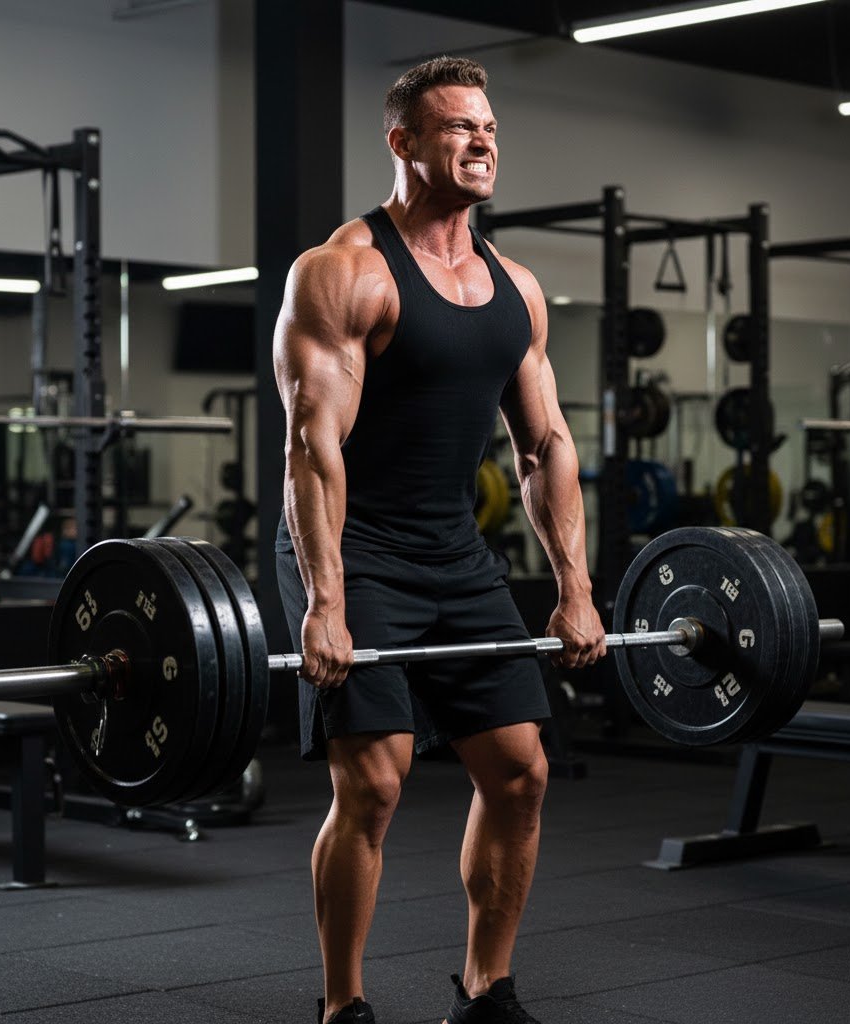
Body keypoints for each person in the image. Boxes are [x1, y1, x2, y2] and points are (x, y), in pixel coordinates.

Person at [274, 56, 607, 1024]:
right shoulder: (344, 271)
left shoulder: (516, 286)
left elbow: (544, 445)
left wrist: (574, 587)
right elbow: (313, 444)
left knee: (520, 771)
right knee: (373, 785)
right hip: (362, 553)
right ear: (404, 143)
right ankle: (344, 1003)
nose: (480, 141)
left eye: (488, 128)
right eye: (458, 126)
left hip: (458, 558)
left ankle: (484, 987)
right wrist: (323, 602)